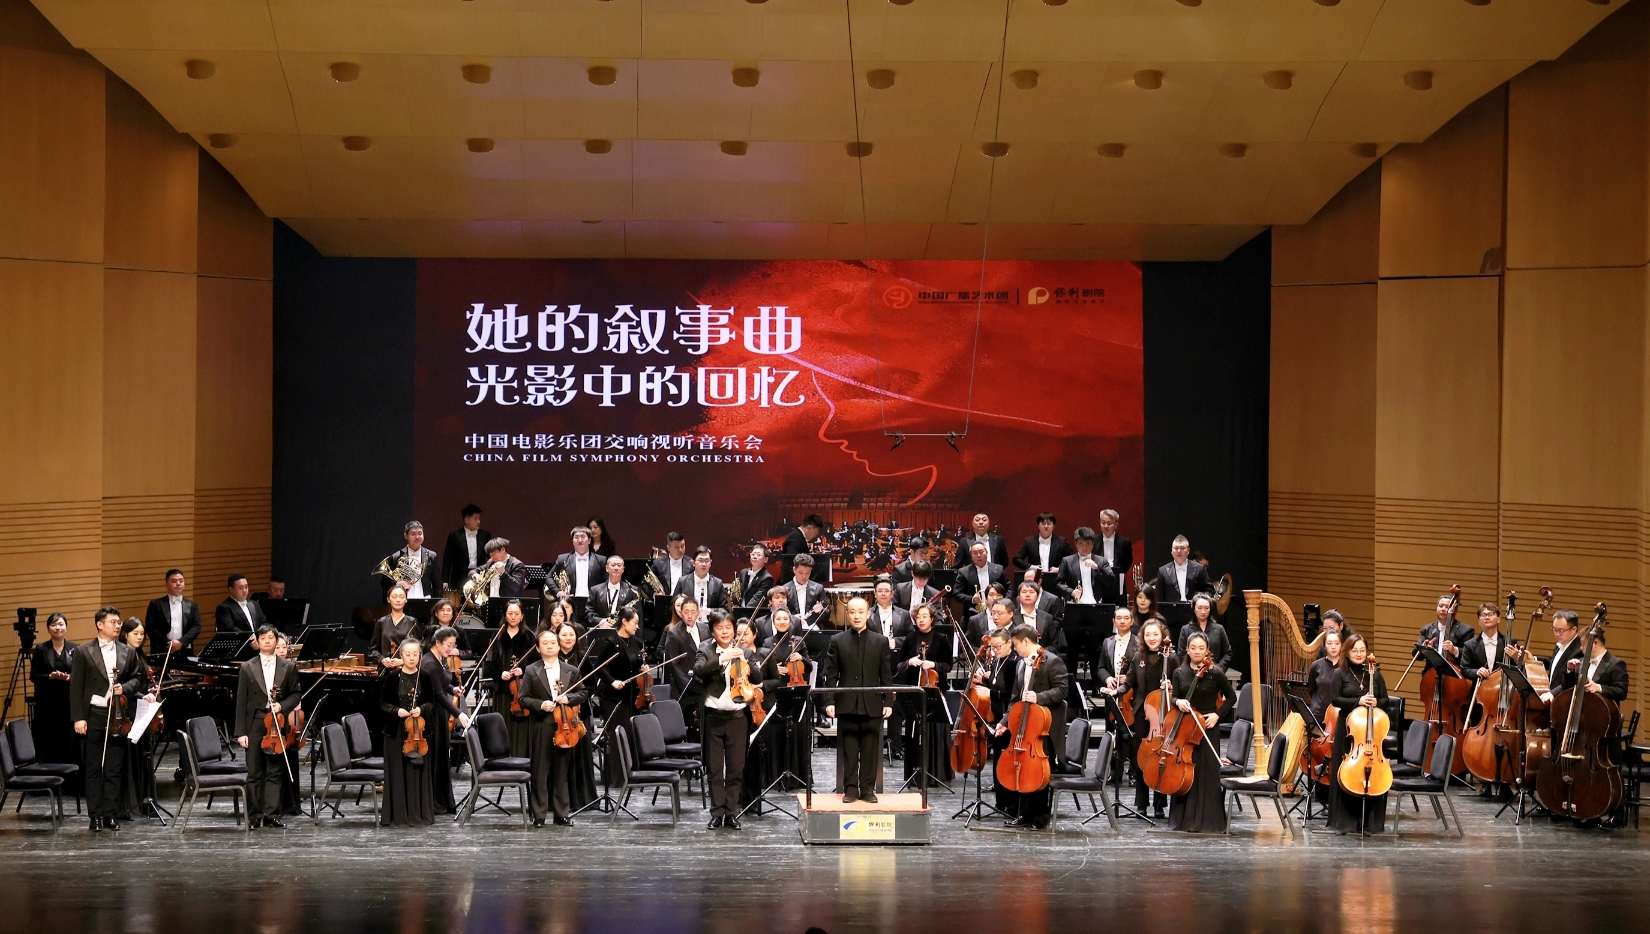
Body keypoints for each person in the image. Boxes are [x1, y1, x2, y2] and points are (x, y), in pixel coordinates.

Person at [71, 607, 145, 832]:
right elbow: (76, 687)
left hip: (117, 715)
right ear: (100, 625)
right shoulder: (83, 651)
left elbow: (137, 678)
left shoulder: (127, 652)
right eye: (113, 622)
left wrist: (125, 688)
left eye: (119, 622)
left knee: (114, 767)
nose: (118, 625)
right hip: (94, 714)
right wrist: (79, 718)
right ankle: (95, 816)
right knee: (93, 768)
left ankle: (110, 814)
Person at [994, 624, 1070, 828]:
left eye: (1016, 644)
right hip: (1024, 726)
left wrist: (1039, 697)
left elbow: (1063, 690)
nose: (1014, 648)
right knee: (1022, 768)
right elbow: (1015, 698)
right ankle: (1023, 814)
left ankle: (1040, 815)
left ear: (1026, 641)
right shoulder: (1021, 664)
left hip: (1044, 727)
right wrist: (1004, 722)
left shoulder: (1052, 661)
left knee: (1037, 770)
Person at [519, 628, 595, 826]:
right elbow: (523, 698)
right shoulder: (531, 670)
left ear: (559, 646)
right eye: (545, 643)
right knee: (540, 771)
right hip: (542, 724)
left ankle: (562, 813)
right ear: (538, 648)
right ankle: (539, 815)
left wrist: (568, 698)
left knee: (562, 771)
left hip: (565, 726)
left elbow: (583, 693)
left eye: (553, 642)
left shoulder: (571, 670)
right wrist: (541, 704)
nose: (550, 646)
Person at [824, 596, 893, 804]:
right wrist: (829, 701)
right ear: (847, 614)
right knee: (850, 750)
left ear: (868, 614)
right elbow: (831, 674)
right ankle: (851, 789)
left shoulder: (880, 641)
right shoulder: (837, 640)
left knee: (870, 750)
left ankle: (868, 789)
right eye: (852, 612)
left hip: (872, 704)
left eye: (860, 612)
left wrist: (888, 702)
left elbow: (886, 675)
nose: (856, 616)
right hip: (847, 704)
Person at [233, 623, 301, 829]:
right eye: (263, 638)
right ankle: (254, 815)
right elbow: (241, 701)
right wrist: (240, 732)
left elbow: (296, 694)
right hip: (255, 723)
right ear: (258, 641)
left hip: (276, 723)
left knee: (274, 771)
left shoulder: (288, 667)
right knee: (254, 772)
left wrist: (282, 706)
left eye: (271, 638)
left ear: (276, 640)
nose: (267, 641)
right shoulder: (247, 667)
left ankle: (272, 815)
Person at [1165, 631, 1233, 834]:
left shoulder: (1215, 673)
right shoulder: (1180, 672)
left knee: (1207, 772)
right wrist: (1178, 701)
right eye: (1193, 648)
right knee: (1185, 771)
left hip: (1207, 727)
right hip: (1186, 727)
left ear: (1207, 650)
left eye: (1201, 648)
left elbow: (1231, 697)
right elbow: (1174, 698)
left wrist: (1217, 715)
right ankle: (1183, 820)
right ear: (1187, 649)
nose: (1197, 651)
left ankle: (1209, 822)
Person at [695, 611, 757, 829]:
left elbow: (758, 677)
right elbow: (699, 671)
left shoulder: (745, 651)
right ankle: (717, 812)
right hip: (713, 718)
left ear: (734, 630)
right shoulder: (705, 649)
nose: (724, 632)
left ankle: (731, 812)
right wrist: (721, 658)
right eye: (719, 628)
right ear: (712, 631)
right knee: (713, 769)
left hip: (738, 719)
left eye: (728, 628)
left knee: (735, 768)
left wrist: (746, 660)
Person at [1325, 633, 1388, 834]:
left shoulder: (1375, 673)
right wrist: (1358, 701)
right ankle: (1345, 822)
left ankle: (1371, 822)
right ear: (1347, 652)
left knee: (1374, 772)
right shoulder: (1340, 674)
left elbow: (1386, 701)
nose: (1359, 654)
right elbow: (1335, 700)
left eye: (1362, 650)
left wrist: (1377, 702)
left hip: (1372, 733)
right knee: (1345, 772)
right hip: (1349, 731)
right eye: (1355, 650)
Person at [1115, 617, 1174, 817]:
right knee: (1142, 758)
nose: (1152, 638)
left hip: (1163, 714)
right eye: (1148, 634)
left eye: (1155, 634)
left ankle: (1159, 804)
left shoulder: (1170, 658)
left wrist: (1171, 687)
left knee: (1161, 758)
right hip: (1142, 713)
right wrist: (1116, 691)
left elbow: (1180, 682)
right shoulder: (1138, 656)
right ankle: (1141, 803)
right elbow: (1129, 682)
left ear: (1163, 636)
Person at [380, 638, 438, 827]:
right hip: (396, 732)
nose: (412, 658)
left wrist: (421, 709)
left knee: (417, 772)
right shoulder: (392, 677)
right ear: (401, 655)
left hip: (418, 731)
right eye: (408, 654)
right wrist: (397, 711)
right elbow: (383, 704)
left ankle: (418, 813)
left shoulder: (425, 677)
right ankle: (399, 816)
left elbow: (431, 703)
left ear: (419, 655)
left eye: (415, 654)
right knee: (398, 773)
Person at [584, 608, 645, 784]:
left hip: (631, 695)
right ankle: (615, 777)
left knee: (630, 734)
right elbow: (598, 666)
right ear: (624, 621)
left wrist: (643, 669)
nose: (637, 626)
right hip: (613, 697)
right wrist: (612, 681)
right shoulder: (611, 642)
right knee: (616, 736)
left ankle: (629, 773)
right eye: (635, 622)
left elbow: (636, 665)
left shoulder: (636, 642)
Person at [894, 603, 952, 782]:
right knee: (914, 732)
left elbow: (948, 666)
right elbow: (899, 665)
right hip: (914, 691)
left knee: (933, 732)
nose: (921, 620)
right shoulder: (910, 638)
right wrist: (909, 662)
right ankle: (915, 774)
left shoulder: (942, 639)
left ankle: (934, 774)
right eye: (918, 617)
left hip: (935, 691)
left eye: (925, 616)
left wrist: (933, 664)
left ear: (932, 619)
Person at [420, 624, 472, 814]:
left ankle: (443, 801)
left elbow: (442, 684)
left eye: (453, 645)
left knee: (442, 757)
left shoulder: (440, 659)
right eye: (448, 645)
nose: (451, 649)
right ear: (438, 642)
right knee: (436, 757)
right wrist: (459, 713)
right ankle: (435, 802)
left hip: (439, 713)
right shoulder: (429, 663)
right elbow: (438, 694)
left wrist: (453, 689)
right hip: (431, 715)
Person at [117, 619, 160, 820]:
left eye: (142, 634)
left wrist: (151, 690)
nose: (140, 637)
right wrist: (142, 695)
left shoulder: (140, 655)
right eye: (135, 633)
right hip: (129, 711)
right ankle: (131, 805)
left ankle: (145, 803)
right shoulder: (121, 656)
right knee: (131, 758)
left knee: (143, 755)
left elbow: (141, 684)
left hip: (142, 711)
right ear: (125, 634)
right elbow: (123, 686)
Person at [30, 613, 79, 788]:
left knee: (68, 740)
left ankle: (70, 782)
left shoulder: (76, 648)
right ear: (48, 628)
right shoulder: (41, 649)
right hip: (47, 703)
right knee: (49, 740)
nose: (58, 628)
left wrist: (70, 677)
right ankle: (48, 780)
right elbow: (34, 676)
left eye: (60, 624)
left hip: (68, 702)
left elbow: (81, 675)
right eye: (53, 625)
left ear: (66, 626)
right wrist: (50, 676)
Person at [487, 599, 536, 756]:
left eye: (516, 613)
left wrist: (524, 670)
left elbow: (536, 662)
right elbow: (490, 662)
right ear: (505, 615)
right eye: (510, 613)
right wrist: (500, 673)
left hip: (523, 689)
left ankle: (520, 757)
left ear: (522, 616)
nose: (513, 617)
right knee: (503, 724)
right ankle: (502, 758)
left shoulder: (529, 636)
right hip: (503, 690)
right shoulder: (497, 636)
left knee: (521, 728)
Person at [662, 596, 709, 708]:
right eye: (686, 612)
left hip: (704, 684)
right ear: (680, 612)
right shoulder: (673, 633)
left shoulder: (705, 628)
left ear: (698, 613)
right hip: (683, 687)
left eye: (693, 612)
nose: (690, 615)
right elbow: (673, 664)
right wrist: (688, 686)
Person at [144, 568, 201, 656]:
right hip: (162, 649)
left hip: (185, 650)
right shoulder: (156, 604)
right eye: (174, 581)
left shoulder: (193, 605)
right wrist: (168, 644)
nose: (178, 583)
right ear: (166, 585)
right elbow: (151, 628)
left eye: (181, 581)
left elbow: (196, 627)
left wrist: (181, 642)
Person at [381, 520, 441, 599]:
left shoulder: (431, 556)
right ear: (406, 536)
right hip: (404, 600)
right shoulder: (396, 557)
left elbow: (438, 584)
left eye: (420, 533)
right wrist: (398, 584)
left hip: (426, 599)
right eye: (413, 534)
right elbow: (384, 583)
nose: (417, 537)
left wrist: (437, 603)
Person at [442, 504, 493, 593]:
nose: (478, 521)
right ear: (466, 520)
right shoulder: (454, 536)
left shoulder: (485, 535)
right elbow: (447, 559)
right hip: (459, 577)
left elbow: (491, 557)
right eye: (475, 519)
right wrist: (445, 580)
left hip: (479, 576)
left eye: (479, 518)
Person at [369, 585, 420, 670]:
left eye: (401, 597)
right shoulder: (381, 622)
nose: (398, 600)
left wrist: (403, 661)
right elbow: (372, 651)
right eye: (394, 597)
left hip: (406, 670)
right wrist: (382, 659)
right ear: (388, 599)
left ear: (406, 599)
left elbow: (419, 649)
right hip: (385, 670)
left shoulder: (412, 622)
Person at [1012, 511, 1073, 582]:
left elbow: (1072, 560)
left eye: (1049, 524)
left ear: (1053, 526)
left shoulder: (1062, 542)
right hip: (1035, 579)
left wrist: (1059, 569)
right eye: (1043, 523)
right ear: (1038, 526)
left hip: (1056, 579)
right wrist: (1032, 567)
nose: (1046, 526)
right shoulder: (1029, 541)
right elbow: (1016, 559)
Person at [1176, 593, 1232, 668]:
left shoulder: (1219, 629)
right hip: (1192, 672)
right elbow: (1181, 655)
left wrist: (1218, 669)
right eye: (1199, 608)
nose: (1203, 611)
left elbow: (1228, 653)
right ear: (1194, 609)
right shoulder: (1185, 629)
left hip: (1214, 670)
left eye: (1206, 608)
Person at [585, 555, 639, 628]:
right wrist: (600, 621)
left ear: (623, 569)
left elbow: (637, 617)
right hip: (601, 631)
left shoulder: (632, 590)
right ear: (607, 568)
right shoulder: (595, 590)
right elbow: (589, 613)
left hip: (623, 631)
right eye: (613, 565)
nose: (616, 568)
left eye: (619, 565)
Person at [1154, 536, 1211, 602]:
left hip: (1193, 608)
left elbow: (1209, 591)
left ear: (1188, 551)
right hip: (1171, 608)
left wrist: (1197, 600)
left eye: (1182, 548)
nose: (1179, 551)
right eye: (1176, 548)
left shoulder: (1199, 569)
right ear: (1171, 551)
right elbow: (1159, 597)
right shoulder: (1163, 571)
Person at [552, 526, 602, 601]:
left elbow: (607, 580)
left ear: (589, 540)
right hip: (570, 601)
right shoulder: (563, 559)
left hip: (594, 602)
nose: (580, 540)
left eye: (583, 537)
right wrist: (558, 592)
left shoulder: (600, 560)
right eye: (576, 537)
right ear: (572, 541)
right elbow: (549, 577)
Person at [957, 542, 1010, 613]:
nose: (979, 555)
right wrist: (972, 599)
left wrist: (1003, 602)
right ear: (971, 556)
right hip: (973, 613)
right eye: (975, 553)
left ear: (987, 553)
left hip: (998, 611)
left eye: (981, 552)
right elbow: (957, 593)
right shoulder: (963, 572)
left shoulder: (998, 569)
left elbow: (1009, 589)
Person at [1096, 509, 1133, 601]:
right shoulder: (1094, 541)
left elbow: (1128, 561)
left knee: (1119, 604)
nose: (1106, 526)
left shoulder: (1124, 542)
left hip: (1118, 577)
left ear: (1116, 524)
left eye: (1109, 523)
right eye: (1103, 522)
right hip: (1099, 577)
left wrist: (1117, 571)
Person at [1010, 581, 1059, 647]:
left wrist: (1040, 652)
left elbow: (1053, 644)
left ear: (1038, 596)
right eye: (1024, 592)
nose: (1027, 595)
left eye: (1031, 592)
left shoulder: (1047, 617)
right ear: (1018, 595)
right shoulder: (1011, 616)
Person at [784, 554, 827, 621]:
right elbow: (779, 612)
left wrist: (820, 610)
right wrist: (792, 618)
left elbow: (827, 612)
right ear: (794, 570)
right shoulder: (784, 589)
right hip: (792, 625)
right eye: (801, 573)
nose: (804, 577)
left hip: (812, 626)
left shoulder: (818, 588)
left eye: (807, 573)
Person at [868, 576, 911, 642]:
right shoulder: (867, 614)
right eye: (880, 591)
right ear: (875, 593)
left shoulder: (904, 614)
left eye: (886, 591)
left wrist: (896, 642)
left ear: (892, 593)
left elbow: (911, 637)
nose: (883, 594)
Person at [734, 544, 775, 610]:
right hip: (741, 610)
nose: (755, 557)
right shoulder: (743, 572)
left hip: (756, 613)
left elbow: (757, 599)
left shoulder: (767, 578)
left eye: (758, 555)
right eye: (753, 554)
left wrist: (743, 611)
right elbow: (740, 593)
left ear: (765, 559)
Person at [651, 532, 693, 596]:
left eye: (682, 546)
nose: (680, 550)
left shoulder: (692, 564)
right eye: (676, 547)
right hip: (665, 601)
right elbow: (645, 585)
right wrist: (654, 594)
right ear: (668, 548)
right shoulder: (658, 564)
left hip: (685, 601)